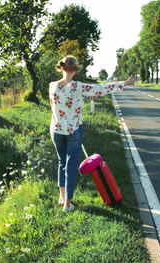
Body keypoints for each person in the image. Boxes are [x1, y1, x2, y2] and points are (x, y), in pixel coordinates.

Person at [49, 55, 135, 212]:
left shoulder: (52, 86)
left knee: (62, 162)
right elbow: (102, 89)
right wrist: (125, 83)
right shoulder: (78, 87)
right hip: (73, 130)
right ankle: (67, 204)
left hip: (56, 130)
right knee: (71, 165)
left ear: (61, 67)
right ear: (75, 70)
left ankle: (62, 196)